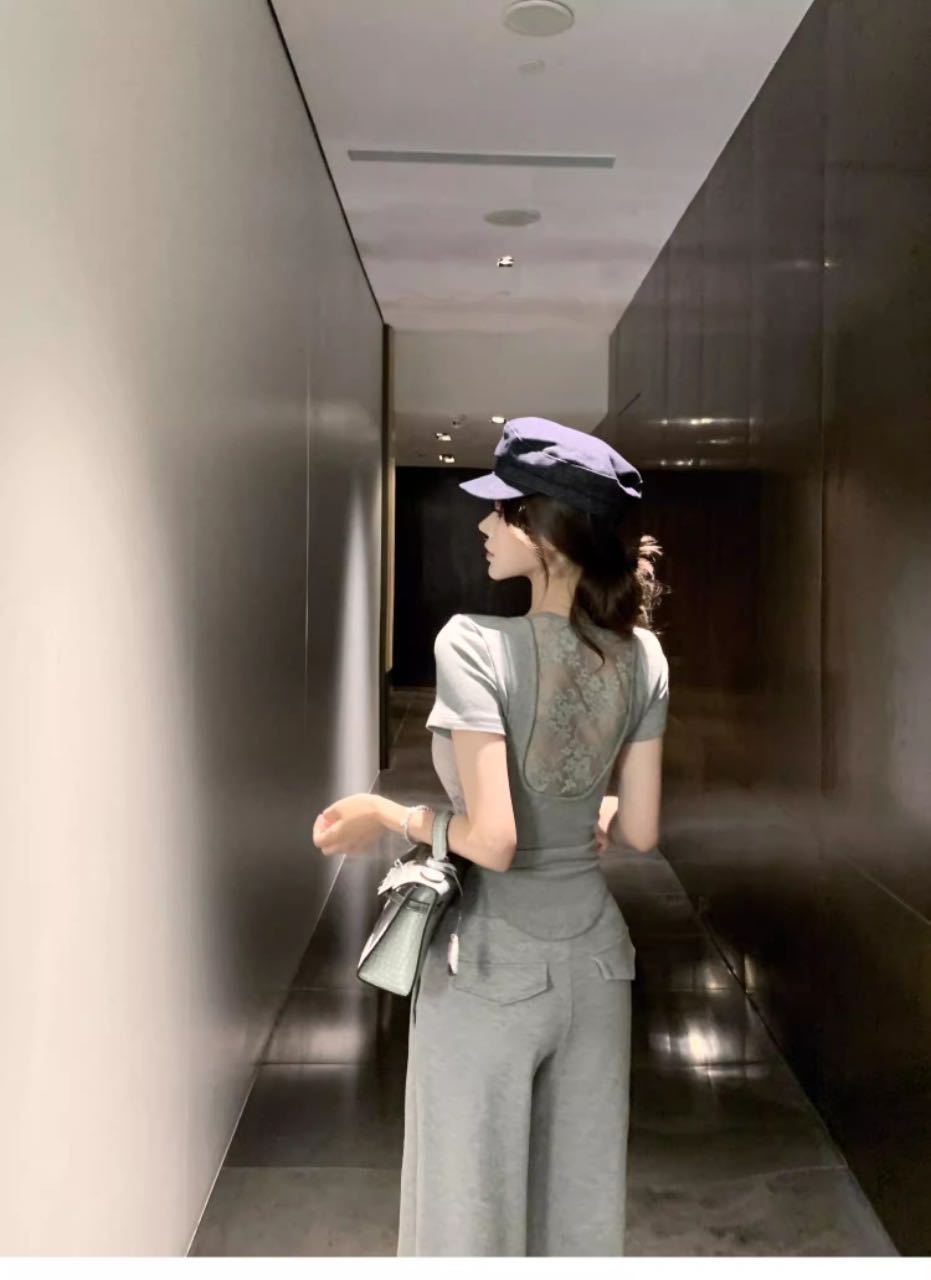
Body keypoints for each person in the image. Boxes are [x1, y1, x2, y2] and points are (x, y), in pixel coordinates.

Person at [314, 416, 670, 1256]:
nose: (483, 524)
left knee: (464, 1217)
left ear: (545, 531)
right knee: (577, 1219)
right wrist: (593, 810)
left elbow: (494, 841)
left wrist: (388, 815)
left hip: (490, 965)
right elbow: (641, 828)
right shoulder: (645, 656)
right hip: (598, 965)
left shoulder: (473, 643)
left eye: (502, 509)